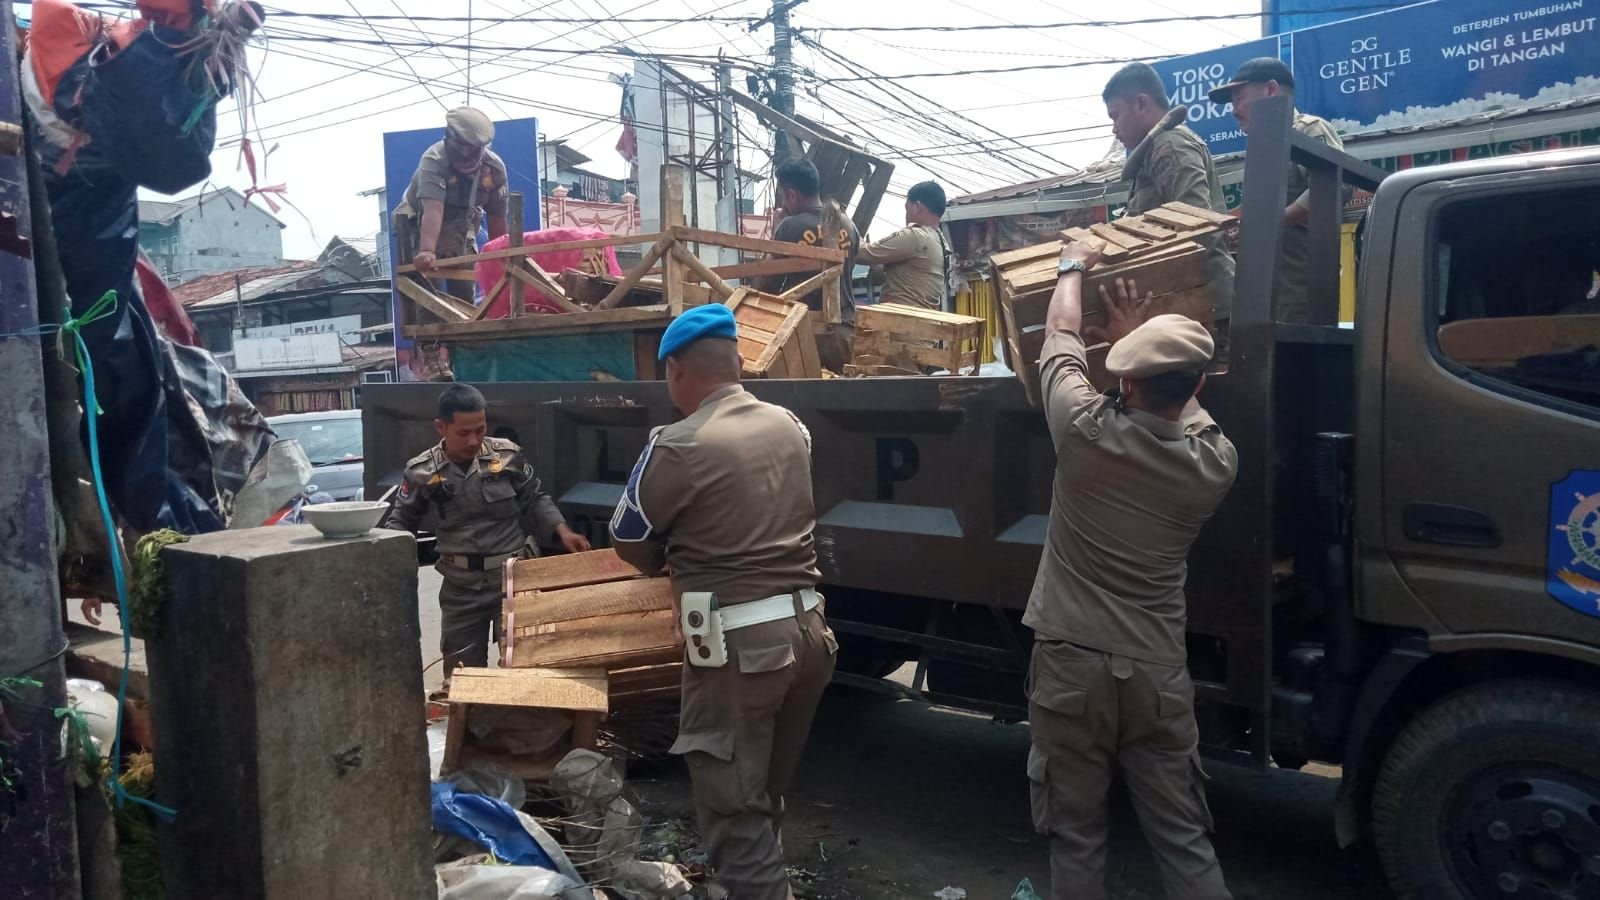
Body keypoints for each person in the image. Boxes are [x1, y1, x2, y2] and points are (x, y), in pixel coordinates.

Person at [1024, 237, 1239, 900]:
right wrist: (1143, 347)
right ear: (1199, 385)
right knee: (1183, 837)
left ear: (1123, 381)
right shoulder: (1215, 464)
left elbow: (1059, 335)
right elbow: (1186, 409)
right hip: (1156, 675)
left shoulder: (1082, 431)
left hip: (1071, 669)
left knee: (1078, 836)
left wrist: (1072, 265)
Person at [609, 304, 837, 900]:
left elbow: (629, 537)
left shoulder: (678, 444)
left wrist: (670, 561)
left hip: (738, 648)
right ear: (736, 363)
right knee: (762, 796)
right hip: (808, 633)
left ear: (676, 369)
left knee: (734, 811)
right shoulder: (791, 425)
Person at [385, 384, 590, 689]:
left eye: (480, 430)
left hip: (512, 579)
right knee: (463, 679)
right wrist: (387, 563)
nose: (473, 440)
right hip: (460, 587)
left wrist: (563, 530)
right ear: (441, 427)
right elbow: (401, 522)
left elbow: (535, 497)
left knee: (527, 669)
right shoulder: (421, 472)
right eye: (463, 433)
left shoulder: (507, 456)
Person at [1104, 62, 1236, 353]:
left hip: (1206, 309)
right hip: (1191, 306)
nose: (1114, 129)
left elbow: (1195, 227)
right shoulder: (1154, 151)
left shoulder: (1170, 146)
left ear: (1141, 103)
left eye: (1115, 115)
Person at [1211, 57, 1345, 324]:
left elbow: (1337, 185)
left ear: (1271, 90)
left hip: (1301, 291)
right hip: (1264, 291)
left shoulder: (1307, 129)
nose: (1234, 111)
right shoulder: (1262, 146)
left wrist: (1268, 225)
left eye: (1239, 99)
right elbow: (1258, 210)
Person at [393, 106, 509, 303]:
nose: (464, 155)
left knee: (464, 297)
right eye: (459, 149)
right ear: (448, 139)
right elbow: (433, 209)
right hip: (422, 226)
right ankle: (430, 319)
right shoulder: (434, 160)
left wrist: (501, 255)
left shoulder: (493, 168)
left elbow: (497, 217)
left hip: (461, 229)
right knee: (429, 296)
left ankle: (465, 322)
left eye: (471, 152)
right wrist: (427, 251)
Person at [757, 158, 861, 373]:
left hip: (804, 333)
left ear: (792, 195)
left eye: (783, 196)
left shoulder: (790, 226)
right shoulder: (850, 226)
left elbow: (767, 283)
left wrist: (776, 232)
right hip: (845, 333)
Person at [856, 180, 951, 311]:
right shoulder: (940, 241)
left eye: (907, 209)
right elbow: (908, 277)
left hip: (901, 317)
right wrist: (877, 263)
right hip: (923, 316)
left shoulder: (915, 236)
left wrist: (847, 227)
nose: (906, 215)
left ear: (917, 207)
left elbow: (862, 253)